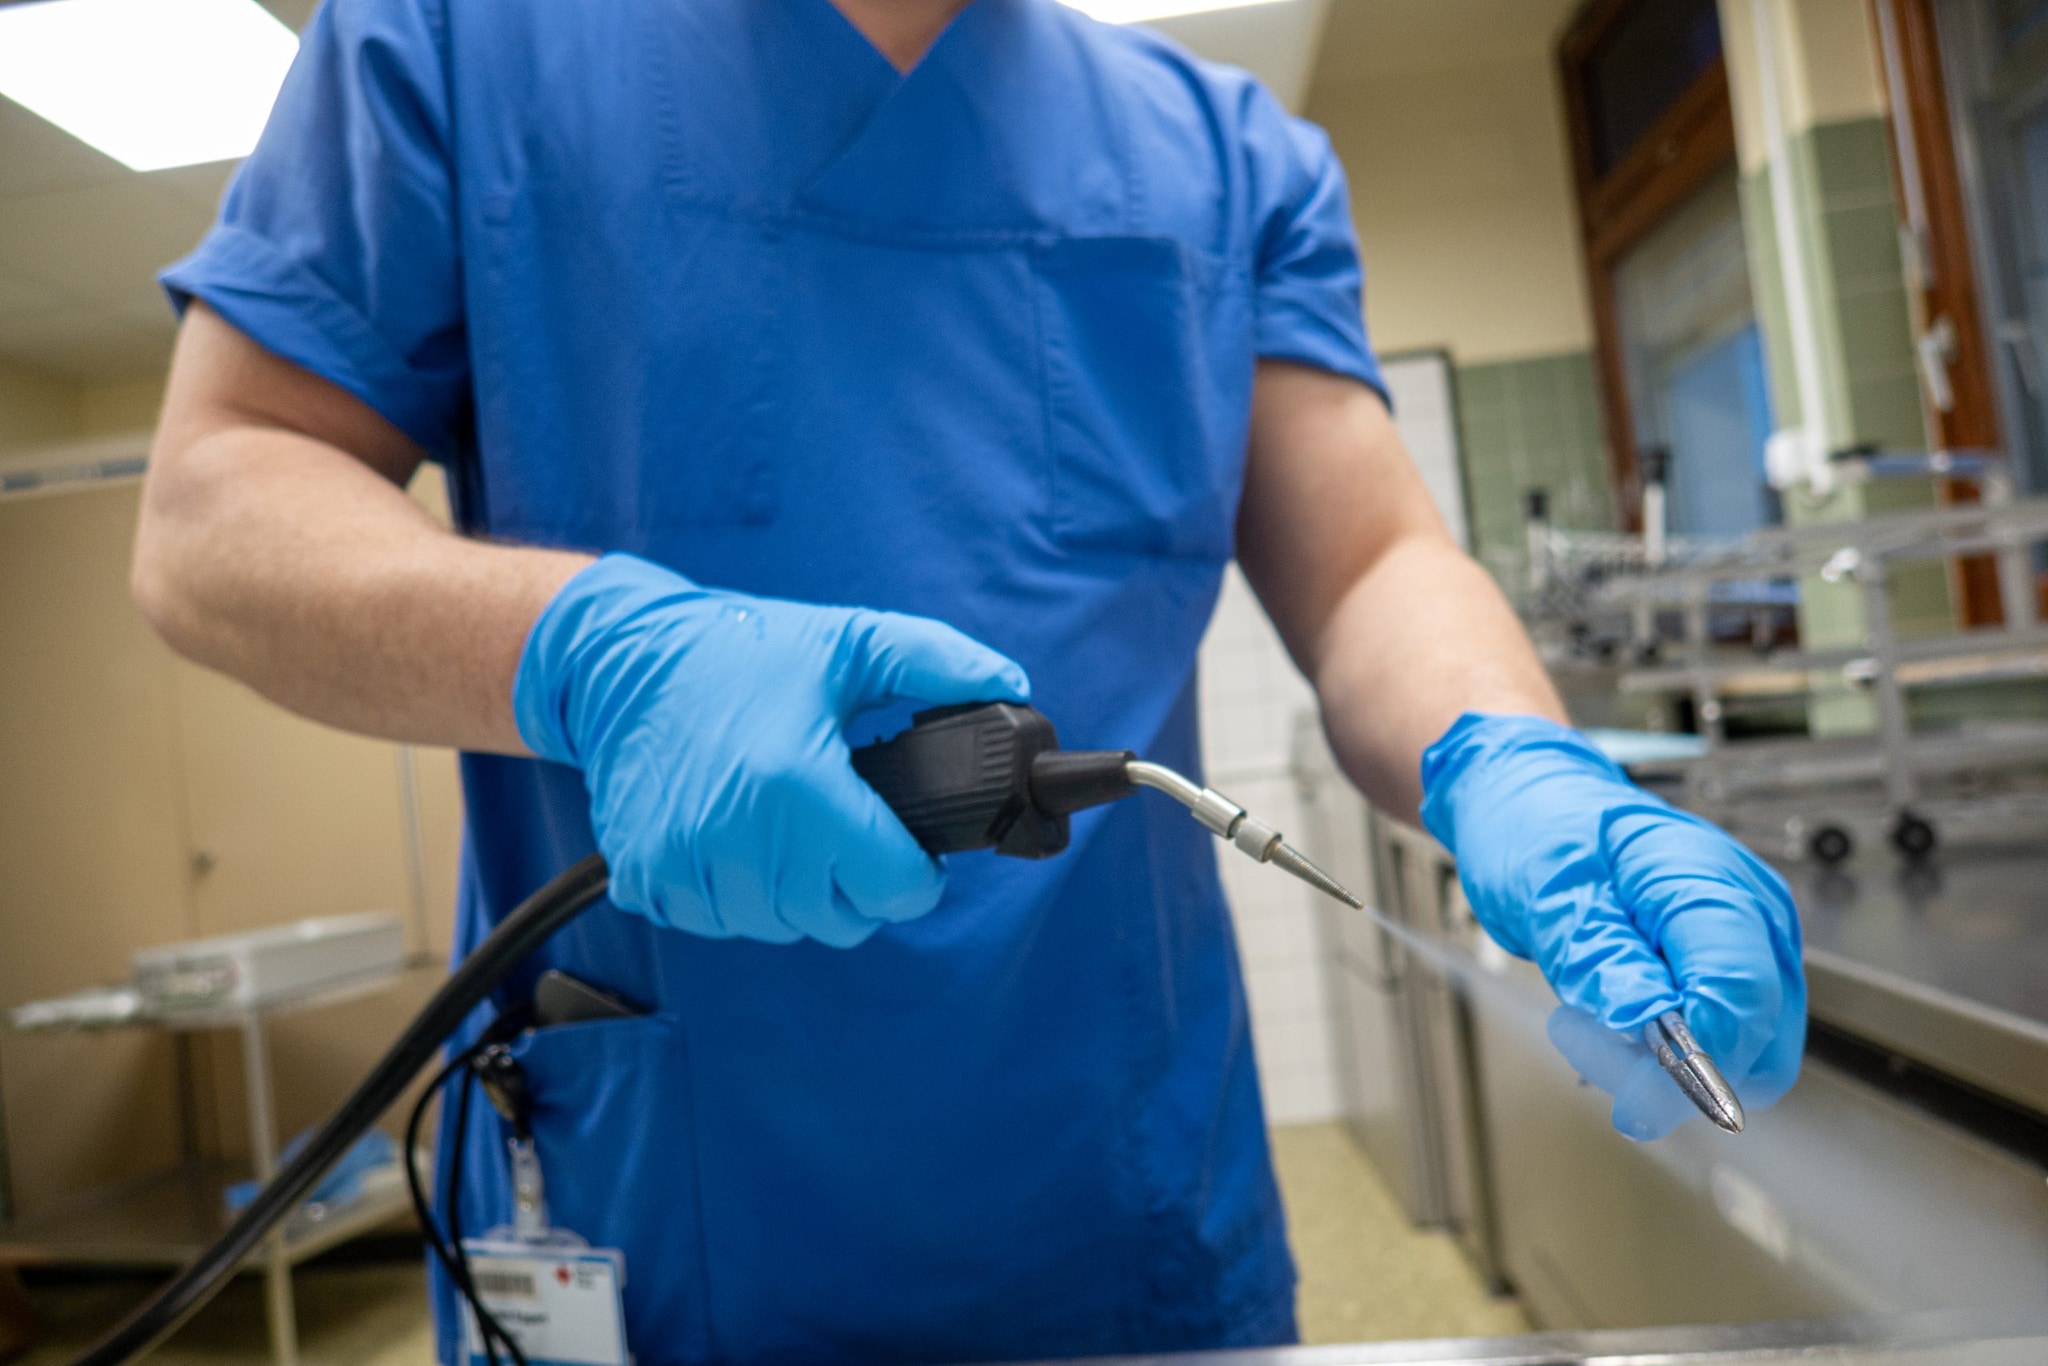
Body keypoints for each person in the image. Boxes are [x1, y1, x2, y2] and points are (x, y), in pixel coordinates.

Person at [131, 0, 1805, 1360]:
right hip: (663, 1232)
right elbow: (215, 509)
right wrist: (594, 655)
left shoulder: (1223, 159)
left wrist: (1516, 760)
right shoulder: (454, 44)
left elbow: (1369, 561)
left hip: (1128, 1227)